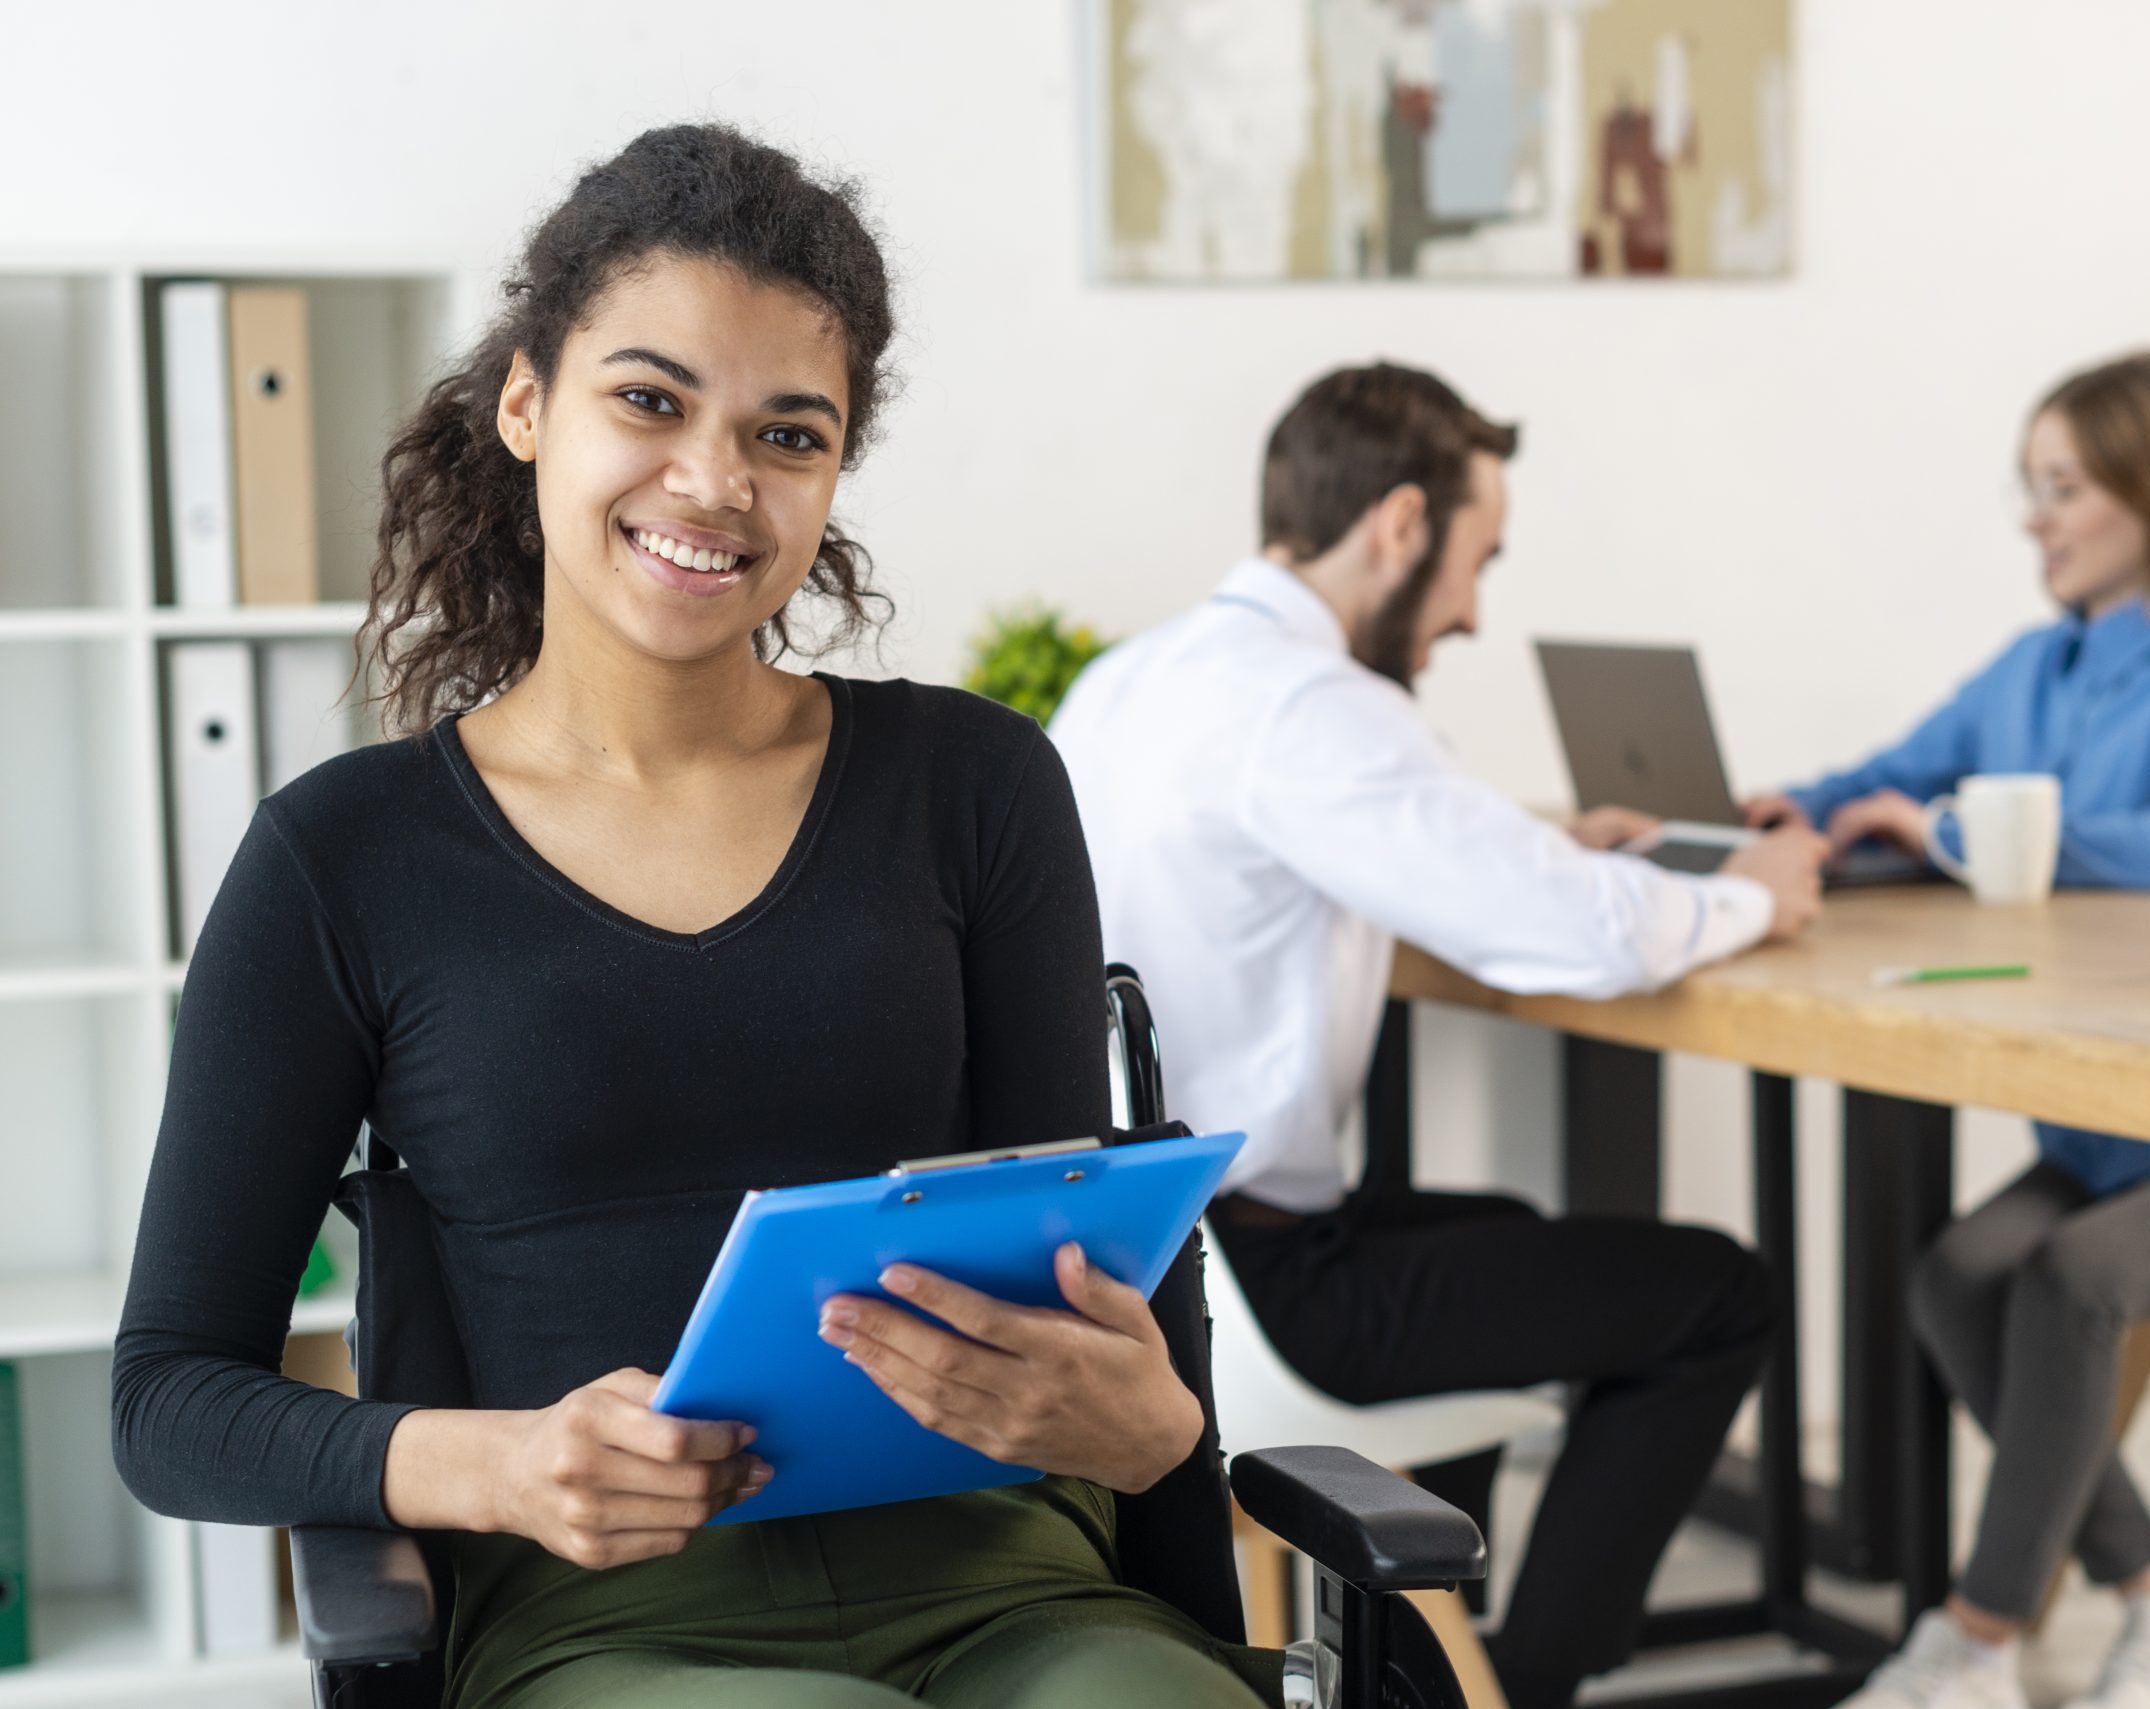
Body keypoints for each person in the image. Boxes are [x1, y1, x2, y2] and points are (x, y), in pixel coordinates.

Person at [110, 125, 1277, 1709]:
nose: (716, 484)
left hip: (1011, 1576)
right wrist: (502, 1466)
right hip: (616, 1623)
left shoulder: (977, 785)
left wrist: (1156, 1426)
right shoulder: (344, 857)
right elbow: (171, 1397)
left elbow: (1068, 1291)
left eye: (788, 433)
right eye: (649, 401)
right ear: (527, 402)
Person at [1047, 362, 1829, 1709]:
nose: (1471, 610)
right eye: (1479, 560)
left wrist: (1535, 845)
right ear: (1400, 526)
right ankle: (1519, 1686)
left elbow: (1404, 853)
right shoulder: (1311, 704)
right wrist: (1754, 891)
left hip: (1143, 1254)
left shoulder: (1134, 680)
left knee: (1501, 1220)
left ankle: (1413, 1664)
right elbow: (1575, 934)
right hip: (1251, 1290)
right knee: (1719, 1294)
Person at [1741, 353, 2150, 1709]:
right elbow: (1888, 774)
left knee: (2068, 1278)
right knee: (1956, 1274)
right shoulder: (2040, 664)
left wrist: (1964, 832)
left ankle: (1977, 1639)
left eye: (2064, 488)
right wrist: (1757, 813)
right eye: (2029, 489)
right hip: (2124, 1119)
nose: (2036, 519)